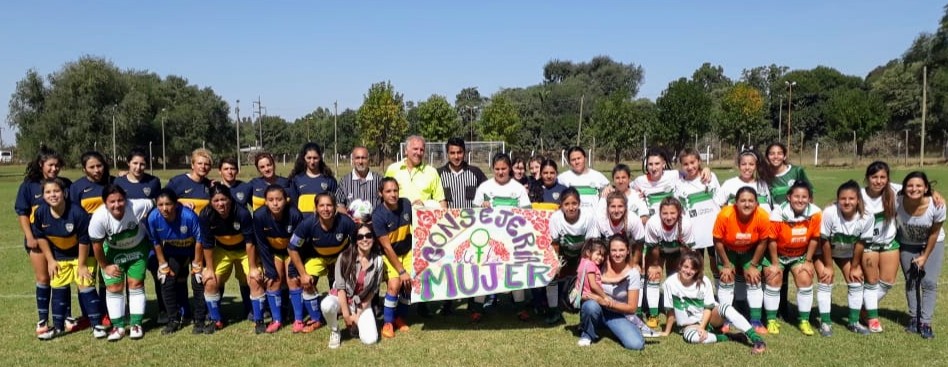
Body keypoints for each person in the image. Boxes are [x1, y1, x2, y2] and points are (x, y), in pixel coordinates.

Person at [33, 178, 107, 340]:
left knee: (86, 287)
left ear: (65, 193)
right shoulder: (40, 213)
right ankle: (58, 328)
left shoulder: (77, 213)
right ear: (43, 195)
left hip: (82, 256)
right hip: (59, 257)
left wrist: (81, 265)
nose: (53, 195)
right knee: (58, 289)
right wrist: (51, 260)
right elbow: (41, 238)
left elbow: (84, 240)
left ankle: (97, 325)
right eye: (48, 192)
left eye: (56, 191)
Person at [15, 147, 74, 336]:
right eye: (51, 165)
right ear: (41, 165)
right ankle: (42, 320)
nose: (54, 168)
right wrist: (30, 237)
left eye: (57, 165)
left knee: (61, 278)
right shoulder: (29, 186)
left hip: (61, 240)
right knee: (43, 278)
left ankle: (66, 315)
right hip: (38, 241)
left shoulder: (65, 184)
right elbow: (22, 214)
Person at [660, 251, 766, 354]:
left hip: (710, 318)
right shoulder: (670, 283)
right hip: (689, 326)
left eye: (693, 268)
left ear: (697, 270)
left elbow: (708, 308)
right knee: (691, 338)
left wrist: (702, 327)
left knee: (726, 307)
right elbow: (670, 311)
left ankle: (757, 340)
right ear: (680, 266)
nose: (688, 271)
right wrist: (667, 331)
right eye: (686, 267)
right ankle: (730, 337)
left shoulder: (704, 281)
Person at [469, 152, 532, 321]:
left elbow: (528, 213)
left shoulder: (518, 188)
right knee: (484, 271)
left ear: (509, 168)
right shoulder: (484, 187)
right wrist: (482, 207)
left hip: (513, 239)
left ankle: (520, 308)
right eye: (497, 169)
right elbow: (473, 214)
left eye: (504, 168)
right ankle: (477, 308)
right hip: (489, 238)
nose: (500, 172)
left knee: (515, 271)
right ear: (492, 169)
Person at [89, 185, 153, 341]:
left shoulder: (136, 205)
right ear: (105, 202)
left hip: (137, 249)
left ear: (126, 199)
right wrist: (105, 266)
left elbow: (155, 202)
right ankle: (118, 327)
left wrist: (180, 204)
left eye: (120, 200)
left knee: (135, 283)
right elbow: (96, 246)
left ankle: (136, 324)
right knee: (114, 287)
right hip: (113, 252)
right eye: (112, 202)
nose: (117, 204)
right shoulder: (98, 218)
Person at [288, 193, 356, 333]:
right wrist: (303, 273)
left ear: (335, 208)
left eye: (329, 205)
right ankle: (316, 319)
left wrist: (353, 263)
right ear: (316, 209)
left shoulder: (345, 222)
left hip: (339, 256)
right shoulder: (308, 224)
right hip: (316, 256)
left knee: (343, 285)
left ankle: (341, 309)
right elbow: (292, 247)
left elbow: (358, 242)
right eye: (322, 205)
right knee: (307, 282)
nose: (326, 209)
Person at [147, 189, 211, 335]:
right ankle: (173, 320)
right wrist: (162, 264)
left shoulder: (188, 216)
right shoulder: (153, 218)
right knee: (167, 281)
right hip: (173, 250)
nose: (164, 208)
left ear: (176, 204)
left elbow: (199, 240)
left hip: (193, 249)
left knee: (198, 280)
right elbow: (156, 242)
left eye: (168, 204)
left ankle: (200, 320)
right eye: (160, 204)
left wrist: (197, 263)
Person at [115, 149, 167, 324]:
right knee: (132, 275)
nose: (138, 167)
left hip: (149, 237)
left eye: (142, 164)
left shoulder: (153, 182)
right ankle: (133, 311)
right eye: (135, 163)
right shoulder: (118, 182)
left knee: (157, 272)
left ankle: (163, 310)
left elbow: (159, 207)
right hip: (127, 239)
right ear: (128, 163)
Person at [763, 181, 822, 336]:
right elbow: (772, 240)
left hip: (799, 255)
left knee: (805, 278)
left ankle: (804, 320)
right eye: (796, 196)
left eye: (804, 197)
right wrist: (775, 263)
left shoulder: (815, 213)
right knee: (774, 277)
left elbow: (815, 238)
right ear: (789, 197)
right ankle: (771, 320)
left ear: (809, 198)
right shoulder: (777, 213)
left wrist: (808, 261)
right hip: (778, 254)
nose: (800, 200)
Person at [816, 180, 874, 337]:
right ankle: (825, 322)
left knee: (855, 280)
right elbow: (825, 241)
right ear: (838, 199)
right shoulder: (829, 212)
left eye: (851, 198)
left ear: (858, 200)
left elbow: (860, 244)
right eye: (843, 198)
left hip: (845, 253)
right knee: (826, 279)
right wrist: (828, 266)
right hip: (823, 251)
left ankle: (854, 322)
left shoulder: (867, 217)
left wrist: (855, 266)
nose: (847, 202)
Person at [712, 187, 771, 334]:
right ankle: (726, 320)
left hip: (750, 250)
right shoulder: (725, 214)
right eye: (743, 200)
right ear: (735, 203)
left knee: (754, 277)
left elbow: (763, 242)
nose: (746, 204)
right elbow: (717, 240)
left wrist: (753, 265)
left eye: (751, 201)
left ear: (757, 203)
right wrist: (726, 264)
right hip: (728, 250)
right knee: (726, 277)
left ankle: (756, 321)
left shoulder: (762, 216)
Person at [578, 235, 652, 350]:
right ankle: (587, 333)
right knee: (590, 306)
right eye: (614, 250)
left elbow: (632, 308)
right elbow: (587, 278)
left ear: (628, 251)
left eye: (621, 250)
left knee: (636, 344)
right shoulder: (600, 264)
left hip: (618, 314)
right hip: (596, 308)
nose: (617, 254)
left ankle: (609, 326)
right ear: (609, 252)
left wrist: (605, 302)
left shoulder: (633, 274)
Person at [199, 183, 256, 334]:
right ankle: (216, 319)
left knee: (253, 279)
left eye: (223, 199)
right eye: (216, 200)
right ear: (210, 201)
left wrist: (253, 267)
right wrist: (209, 269)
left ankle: (253, 313)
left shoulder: (242, 213)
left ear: (230, 199)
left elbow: (250, 242)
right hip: (222, 250)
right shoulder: (205, 215)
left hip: (243, 249)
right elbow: (207, 244)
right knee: (210, 281)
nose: (220, 204)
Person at [897, 171, 945, 339]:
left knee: (929, 282)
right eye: (910, 185)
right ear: (903, 188)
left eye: (919, 186)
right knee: (911, 281)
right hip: (908, 243)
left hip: (933, 243)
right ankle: (913, 317)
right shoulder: (898, 198)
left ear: (926, 188)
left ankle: (925, 322)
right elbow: (879, 186)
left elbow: (934, 233)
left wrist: (925, 256)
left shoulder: (937, 206)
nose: (914, 189)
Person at [320, 223, 384, 348]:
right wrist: (346, 316)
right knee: (326, 305)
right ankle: (335, 331)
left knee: (370, 340)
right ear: (355, 240)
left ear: (373, 238)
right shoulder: (344, 257)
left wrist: (358, 314)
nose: (364, 239)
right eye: (360, 237)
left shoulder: (378, 261)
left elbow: (373, 290)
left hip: (361, 302)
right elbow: (341, 288)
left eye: (368, 235)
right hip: (341, 298)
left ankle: (357, 325)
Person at [253, 184, 305, 333]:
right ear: (265, 201)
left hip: (292, 251)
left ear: (286, 200)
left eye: (279, 199)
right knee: (273, 281)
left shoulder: (295, 215)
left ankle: (299, 320)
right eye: (271, 200)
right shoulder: (259, 216)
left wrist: (293, 267)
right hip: (273, 252)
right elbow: (261, 245)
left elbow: (299, 243)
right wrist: (269, 269)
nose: (275, 203)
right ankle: (277, 320)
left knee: (293, 279)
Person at [546, 187, 600, 324]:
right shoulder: (556, 218)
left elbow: (590, 244)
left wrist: (584, 265)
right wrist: (556, 263)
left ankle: (584, 304)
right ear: (561, 205)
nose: (571, 208)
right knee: (552, 275)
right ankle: (553, 310)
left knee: (587, 275)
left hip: (583, 252)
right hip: (563, 252)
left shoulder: (588, 216)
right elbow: (555, 244)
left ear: (579, 203)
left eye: (574, 203)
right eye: (567, 204)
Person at [643, 197, 695, 330]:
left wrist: (684, 269)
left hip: (678, 251)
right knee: (653, 277)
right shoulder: (653, 223)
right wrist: (654, 266)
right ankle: (653, 315)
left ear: (679, 213)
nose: (669, 217)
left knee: (677, 280)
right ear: (659, 213)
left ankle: (679, 314)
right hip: (658, 251)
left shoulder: (686, 224)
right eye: (664, 213)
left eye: (673, 213)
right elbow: (652, 249)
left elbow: (687, 251)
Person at [674, 149, 725, 282]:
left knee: (717, 265)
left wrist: (707, 169)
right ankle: (699, 295)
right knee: (696, 267)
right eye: (686, 164)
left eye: (693, 162)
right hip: (695, 233)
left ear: (699, 161)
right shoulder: (679, 185)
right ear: (681, 166)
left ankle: (721, 297)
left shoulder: (709, 177)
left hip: (714, 231)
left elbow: (720, 200)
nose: (690, 167)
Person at [372, 178, 414, 338]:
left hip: (408, 251)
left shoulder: (406, 204)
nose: (393, 194)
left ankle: (399, 318)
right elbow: (387, 248)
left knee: (410, 284)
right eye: (388, 191)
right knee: (395, 285)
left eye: (395, 190)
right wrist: (401, 270)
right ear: (381, 193)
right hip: (390, 255)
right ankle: (388, 323)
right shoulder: (378, 215)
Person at [386, 135, 447, 209]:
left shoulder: (431, 172)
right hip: (397, 218)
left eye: (422, 150)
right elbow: (385, 196)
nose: (418, 152)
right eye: (415, 149)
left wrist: (424, 204)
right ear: (406, 151)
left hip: (422, 218)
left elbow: (441, 201)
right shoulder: (393, 169)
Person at [594, 192, 646, 267]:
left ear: (626, 207)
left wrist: (634, 262)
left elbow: (640, 243)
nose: (616, 210)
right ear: (607, 207)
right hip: (606, 249)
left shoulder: (633, 219)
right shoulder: (599, 218)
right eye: (612, 206)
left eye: (620, 206)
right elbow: (595, 245)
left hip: (628, 249)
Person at [289, 142, 339, 216]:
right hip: (303, 224)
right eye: (309, 158)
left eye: (315, 158)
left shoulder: (329, 180)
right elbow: (293, 206)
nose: (312, 162)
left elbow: (335, 205)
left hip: (324, 224)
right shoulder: (297, 180)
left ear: (320, 158)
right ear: (304, 158)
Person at [438, 137, 487, 210]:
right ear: (447, 154)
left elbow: (489, 192)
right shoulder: (438, 174)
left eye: (459, 152)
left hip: (471, 219)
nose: (456, 156)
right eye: (452, 153)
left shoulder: (476, 172)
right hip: (447, 220)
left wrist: (485, 201)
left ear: (464, 152)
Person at [335, 146, 382, 222]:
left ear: (369, 160)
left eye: (363, 158)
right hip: (352, 226)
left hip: (375, 226)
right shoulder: (344, 181)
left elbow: (386, 204)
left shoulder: (379, 180)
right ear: (353, 160)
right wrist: (349, 217)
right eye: (357, 158)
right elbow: (338, 204)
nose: (360, 161)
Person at [166, 148, 213, 214]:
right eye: (199, 163)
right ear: (192, 165)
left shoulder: (211, 185)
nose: (203, 166)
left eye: (206, 164)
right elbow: (163, 200)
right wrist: (179, 204)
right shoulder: (178, 181)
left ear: (210, 167)